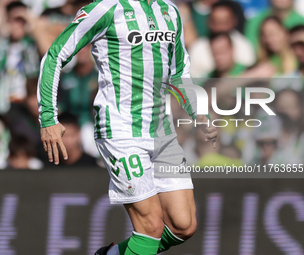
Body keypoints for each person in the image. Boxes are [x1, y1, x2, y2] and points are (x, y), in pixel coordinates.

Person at [37, 1, 218, 255]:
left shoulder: (171, 11)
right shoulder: (105, 9)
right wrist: (48, 118)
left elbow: (178, 73)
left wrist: (198, 112)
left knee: (183, 225)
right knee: (151, 228)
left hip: (161, 132)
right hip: (120, 130)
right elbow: (55, 54)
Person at [0, 1, 40, 114]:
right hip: (3, 105)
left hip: (28, 104)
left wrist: (32, 22)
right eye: (13, 20)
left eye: (21, 21)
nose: (17, 25)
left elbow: (50, 51)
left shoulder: (35, 45)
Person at [189, 1, 255, 78]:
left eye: (224, 22)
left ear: (234, 21)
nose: (220, 27)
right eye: (216, 22)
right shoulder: (197, 48)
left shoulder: (244, 46)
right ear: (208, 22)